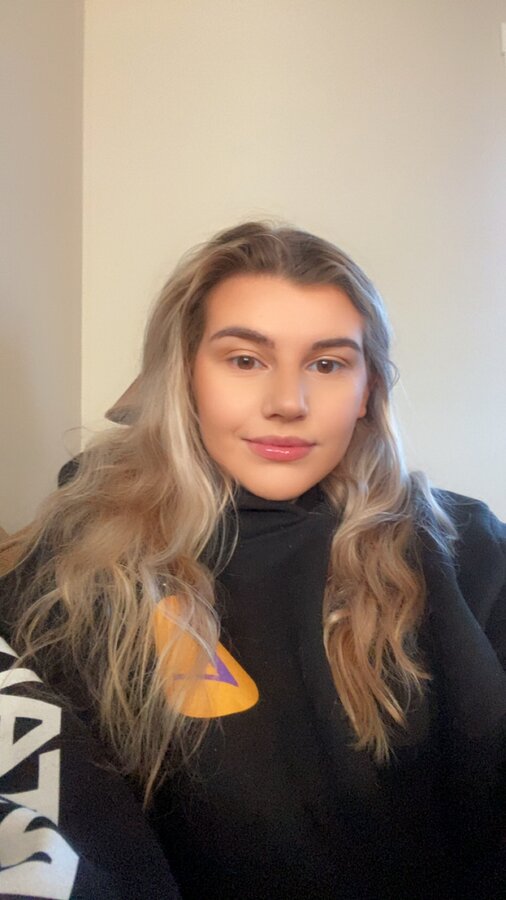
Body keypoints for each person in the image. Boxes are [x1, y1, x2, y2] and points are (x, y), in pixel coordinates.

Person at [1, 221, 505, 899]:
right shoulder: (82, 559)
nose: (288, 404)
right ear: (185, 376)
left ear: (368, 390)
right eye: (244, 360)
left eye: (328, 364)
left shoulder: (465, 548)